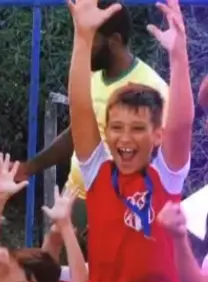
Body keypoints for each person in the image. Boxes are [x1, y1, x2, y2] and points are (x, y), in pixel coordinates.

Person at [68, 0, 198, 282]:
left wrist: (179, 55)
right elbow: (80, 111)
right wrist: (83, 39)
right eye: (117, 128)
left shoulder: (166, 176)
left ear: (155, 136)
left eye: (138, 129)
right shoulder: (99, 174)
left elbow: (182, 123)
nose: (125, 139)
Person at [16, 0, 168, 237]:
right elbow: (75, 133)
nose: (82, 45)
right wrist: (29, 168)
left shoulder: (152, 89)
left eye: (90, 37)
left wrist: (114, 206)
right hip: (76, 196)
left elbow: (159, 162)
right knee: (54, 268)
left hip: (120, 205)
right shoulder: (90, 75)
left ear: (114, 41)